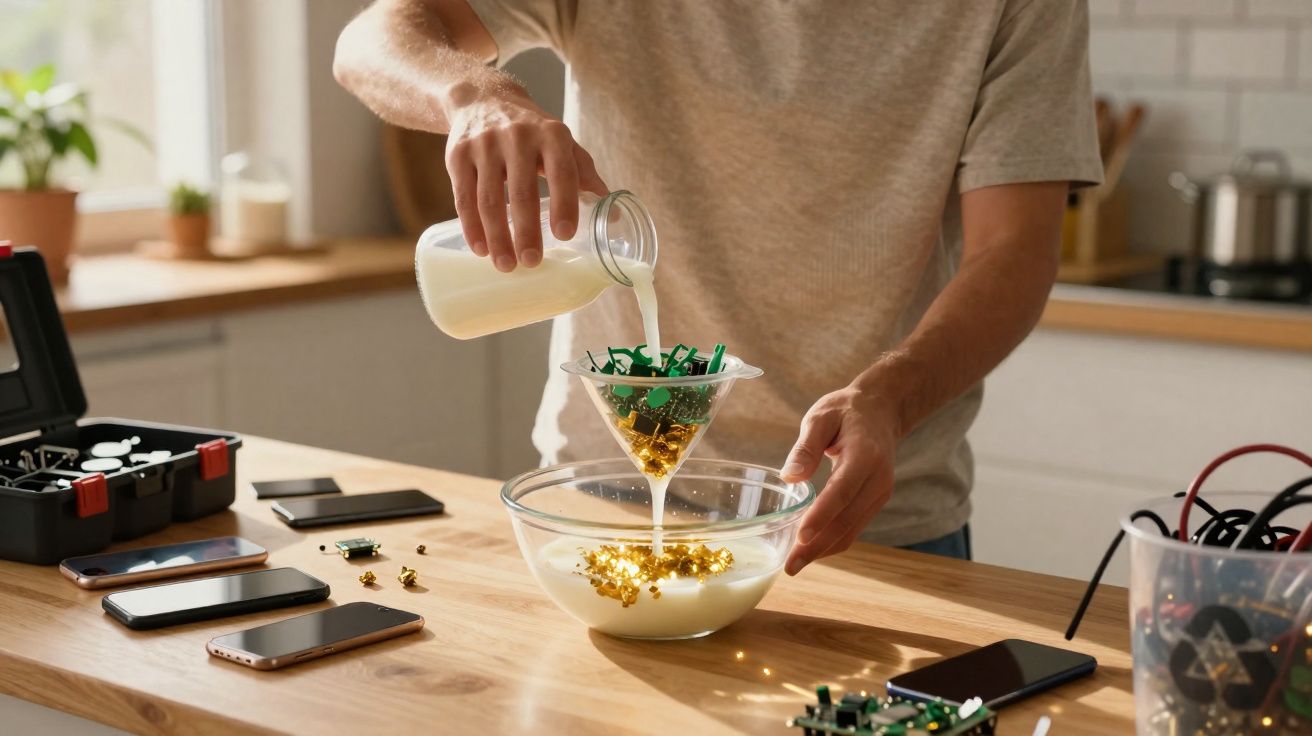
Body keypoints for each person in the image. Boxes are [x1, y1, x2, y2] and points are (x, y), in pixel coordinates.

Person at [335, 1, 1102, 575]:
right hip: (608, 498)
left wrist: (892, 395)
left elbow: (1015, 251)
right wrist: (473, 95)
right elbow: (373, 39)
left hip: (864, 513)